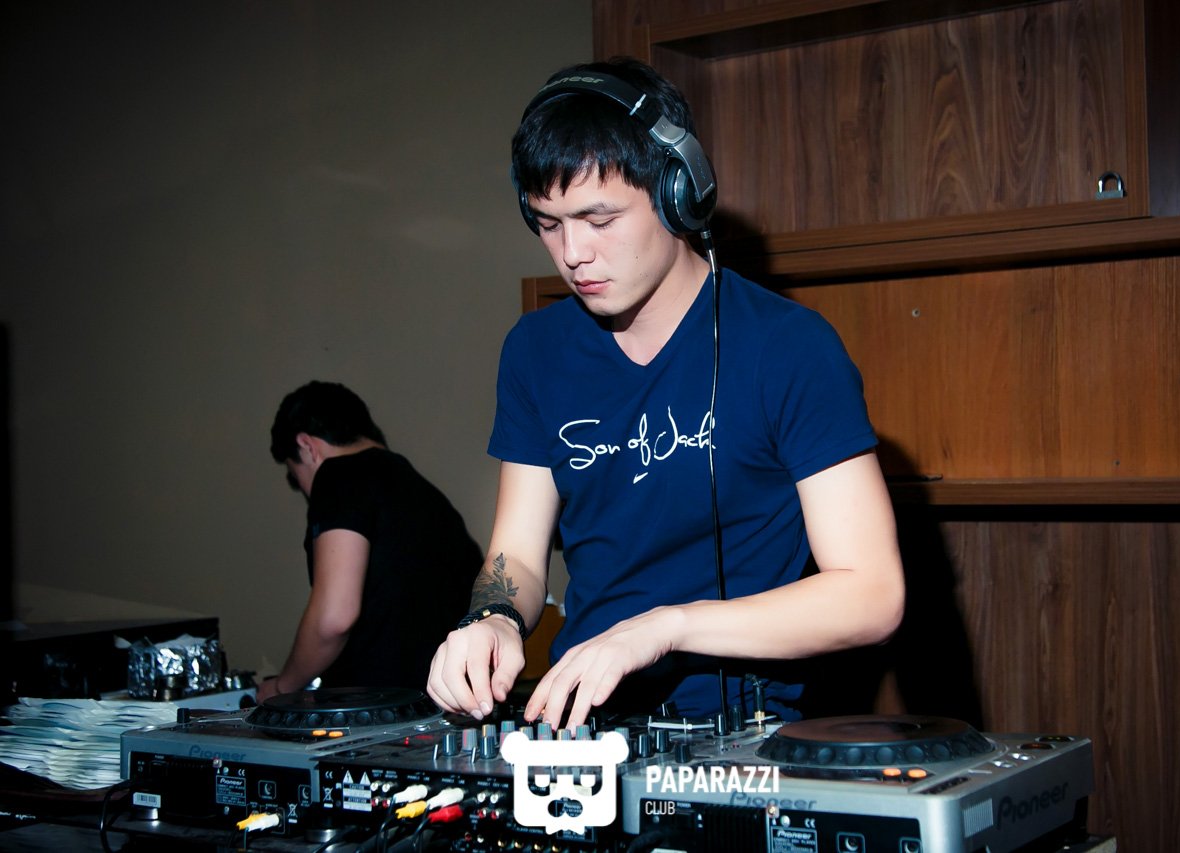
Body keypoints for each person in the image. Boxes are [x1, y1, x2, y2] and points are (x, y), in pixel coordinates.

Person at [427, 58, 904, 731]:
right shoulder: (533, 350)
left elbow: (871, 594)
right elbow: (518, 556)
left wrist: (665, 627)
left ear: (680, 193)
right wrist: (493, 618)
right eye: (548, 223)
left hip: (738, 734)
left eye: (598, 219)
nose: (572, 254)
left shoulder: (789, 346)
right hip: (581, 722)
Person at [257, 381, 481, 701]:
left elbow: (334, 617)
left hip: (372, 709)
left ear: (306, 445)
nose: (306, 491)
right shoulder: (424, 493)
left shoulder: (337, 475)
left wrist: (283, 687)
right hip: (443, 701)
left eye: (297, 476)